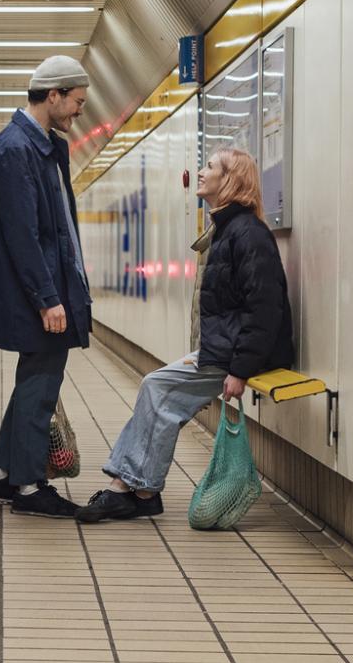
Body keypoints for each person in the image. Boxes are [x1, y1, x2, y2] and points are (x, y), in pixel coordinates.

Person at [76, 147, 295, 523]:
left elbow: (265, 308)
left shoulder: (248, 235)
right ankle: (138, 490)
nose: (201, 171)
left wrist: (240, 370)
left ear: (230, 180)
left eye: (209, 166)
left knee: (158, 388)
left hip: (238, 354)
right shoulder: (229, 230)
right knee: (157, 388)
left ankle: (132, 491)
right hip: (226, 349)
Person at [0, 54, 93, 518]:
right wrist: (48, 298)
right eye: (77, 101)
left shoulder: (40, 144)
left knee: (34, 381)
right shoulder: (15, 149)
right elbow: (25, 234)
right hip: (36, 294)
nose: (80, 110)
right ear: (54, 95)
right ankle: (27, 486)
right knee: (40, 383)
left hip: (48, 287)